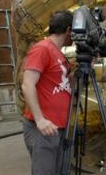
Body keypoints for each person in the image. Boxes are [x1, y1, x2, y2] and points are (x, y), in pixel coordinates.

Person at [21, 10, 73, 174]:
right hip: (44, 128)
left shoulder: (58, 53)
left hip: (58, 126)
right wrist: (40, 119)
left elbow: (63, 84)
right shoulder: (43, 49)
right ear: (68, 30)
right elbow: (27, 84)